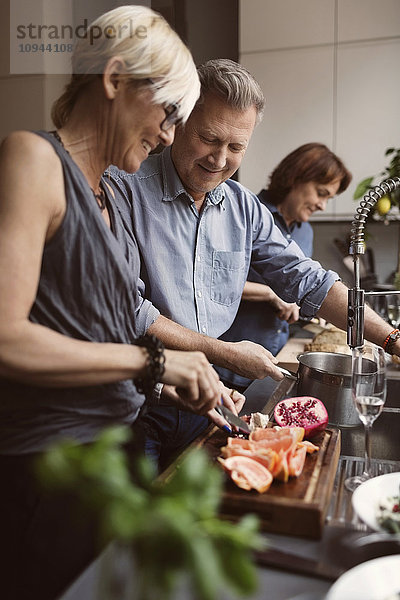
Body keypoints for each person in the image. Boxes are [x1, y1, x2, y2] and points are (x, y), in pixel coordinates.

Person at [0, 7, 224, 599]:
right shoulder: (32, 160)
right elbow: (6, 337)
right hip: (50, 467)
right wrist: (151, 364)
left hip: (115, 454)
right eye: (169, 113)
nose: (171, 135)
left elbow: (105, 328)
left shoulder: (117, 194)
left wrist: (163, 381)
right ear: (115, 79)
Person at [107, 57, 400, 463]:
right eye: (209, 138)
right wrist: (225, 352)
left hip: (211, 402)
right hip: (137, 403)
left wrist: (391, 338)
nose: (220, 159)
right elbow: (128, 309)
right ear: (178, 125)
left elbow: (310, 280)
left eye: (236, 147)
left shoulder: (243, 208)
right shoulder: (123, 188)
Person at [217, 142, 353, 391]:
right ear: (295, 178)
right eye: (321, 193)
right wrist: (270, 295)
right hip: (230, 362)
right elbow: (215, 280)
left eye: (329, 198)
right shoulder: (242, 214)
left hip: (276, 357)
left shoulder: (305, 231)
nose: (323, 205)